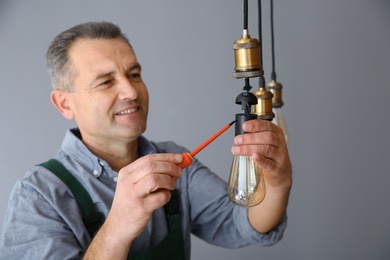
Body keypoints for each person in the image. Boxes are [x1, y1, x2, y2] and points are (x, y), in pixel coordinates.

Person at [0, 21, 292, 259]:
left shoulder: (176, 162)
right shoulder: (37, 196)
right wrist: (117, 227)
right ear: (64, 104)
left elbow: (239, 223)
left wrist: (277, 183)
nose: (130, 90)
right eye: (106, 81)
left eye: (134, 74)